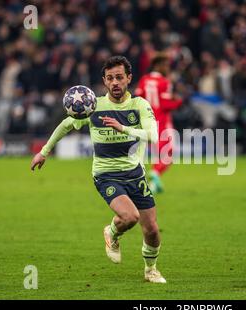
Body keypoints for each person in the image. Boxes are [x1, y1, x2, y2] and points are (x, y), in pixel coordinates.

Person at [30, 56, 166, 283]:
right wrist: (44, 151)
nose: (115, 82)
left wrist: (123, 128)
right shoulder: (94, 106)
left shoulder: (140, 105)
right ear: (104, 80)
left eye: (119, 77)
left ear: (129, 78)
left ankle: (150, 270)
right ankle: (112, 232)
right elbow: (66, 125)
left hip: (135, 174)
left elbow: (153, 136)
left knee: (152, 229)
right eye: (110, 78)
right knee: (130, 217)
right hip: (106, 175)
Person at [135, 53, 182, 193]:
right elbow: (166, 104)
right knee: (168, 154)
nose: (168, 68)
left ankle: (154, 186)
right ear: (158, 65)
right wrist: (178, 101)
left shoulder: (144, 79)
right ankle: (155, 173)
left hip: (147, 122)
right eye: (166, 65)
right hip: (162, 122)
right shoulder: (164, 82)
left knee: (158, 155)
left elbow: (137, 99)